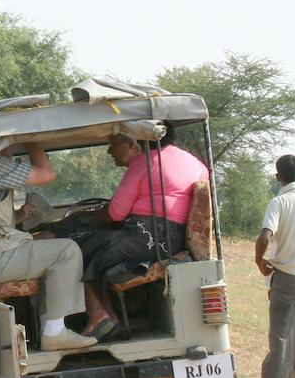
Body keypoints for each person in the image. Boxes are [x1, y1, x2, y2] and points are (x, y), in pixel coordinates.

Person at [0, 143, 97, 351]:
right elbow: (47, 175)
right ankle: (54, 332)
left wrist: (11, 218)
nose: (10, 151)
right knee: (67, 251)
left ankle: (47, 326)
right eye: (8, 143)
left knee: (47, 241)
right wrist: (32, 141)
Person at [74, 129, 209, 338]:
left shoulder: (145, 162)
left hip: (147, 236)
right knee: (99, 248)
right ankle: (110, 318)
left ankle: (100, 314)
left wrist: (82, 215)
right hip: (174, 240)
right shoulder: (194, 163)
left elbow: (116, 214)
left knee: (77, 253)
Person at [256, 154, 295, 378]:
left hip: (286, 279)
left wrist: (259, 260)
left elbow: (265, 236)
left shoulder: (280, 201)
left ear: (278, 176)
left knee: (281, 338)